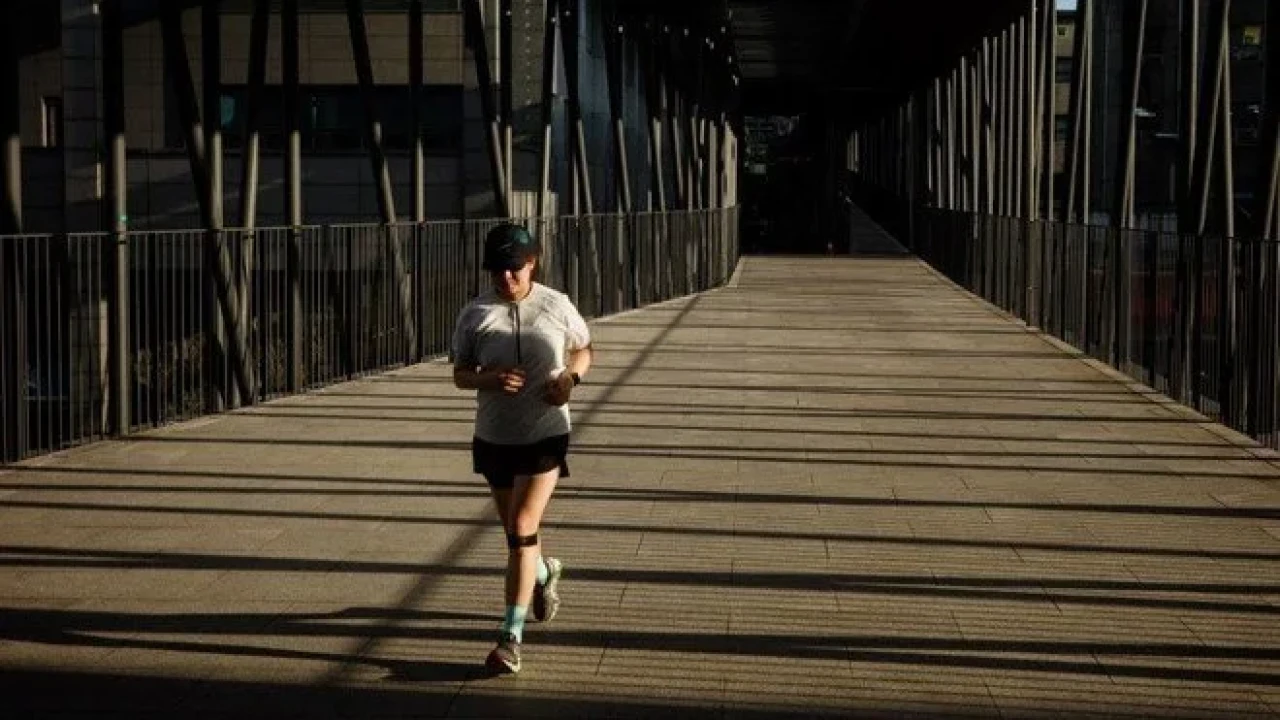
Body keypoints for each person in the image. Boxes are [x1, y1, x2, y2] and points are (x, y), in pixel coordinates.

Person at [450, 222, 593, 674]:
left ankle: (509, 638)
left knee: (521, 523)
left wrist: (570, 379)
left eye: (513, 268)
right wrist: (490, 379)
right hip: (494, 435)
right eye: (497, 269)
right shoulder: (475, 314)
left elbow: (584, 348)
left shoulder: (555, 304)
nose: (505, 277)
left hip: (546, 431)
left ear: (532, 262)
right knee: (517, 538)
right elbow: (460, 373)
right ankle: (545, 572)